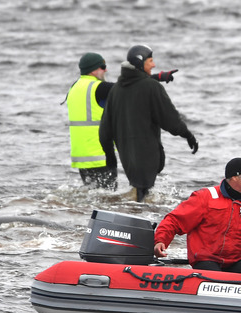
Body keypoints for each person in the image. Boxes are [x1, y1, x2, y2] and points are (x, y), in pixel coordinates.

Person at [98, 44, 199, 202]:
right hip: (147, 155)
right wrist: (188, 135)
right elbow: (170, 119)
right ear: (140, 63)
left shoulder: (116, 90)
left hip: (128, 159)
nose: (154, 64)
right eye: (150, 61)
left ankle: (133, 215)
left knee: (139, 194)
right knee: (143, 197)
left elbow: (104, 130)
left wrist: (110, 157)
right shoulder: (152, 87)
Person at [153, 158, 241, 273]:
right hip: (206, 259)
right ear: (235, 177)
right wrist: (161, 240)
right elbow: (175, 220)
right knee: (215, 277)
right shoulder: (205, 197)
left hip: (235, 261)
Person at [64, 52, 117, 189]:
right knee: (108, 198)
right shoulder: (99, 87)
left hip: (82, 158)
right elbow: (129, 87)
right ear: (93, 69)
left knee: (92, 197)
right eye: (103, 66)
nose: (105, 70)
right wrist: (156, 78)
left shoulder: (74, 87)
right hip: (100, 155)